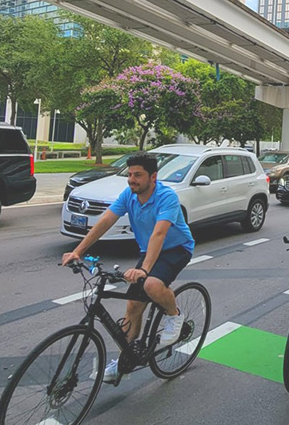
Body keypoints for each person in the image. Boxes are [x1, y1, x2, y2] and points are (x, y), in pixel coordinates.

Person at [61, 153, 195, 383]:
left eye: (138, 175)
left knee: (152, 284)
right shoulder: (128, 195)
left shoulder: (167, 197)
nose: (132, 180)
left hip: (176, 248)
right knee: (133, 306)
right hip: (149, 250)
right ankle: (125, 360)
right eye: (130, 174)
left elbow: (159, 233)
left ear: (153, 177)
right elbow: (105, 221)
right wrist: (78, 251)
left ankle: (174, 315)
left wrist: (144, 270)